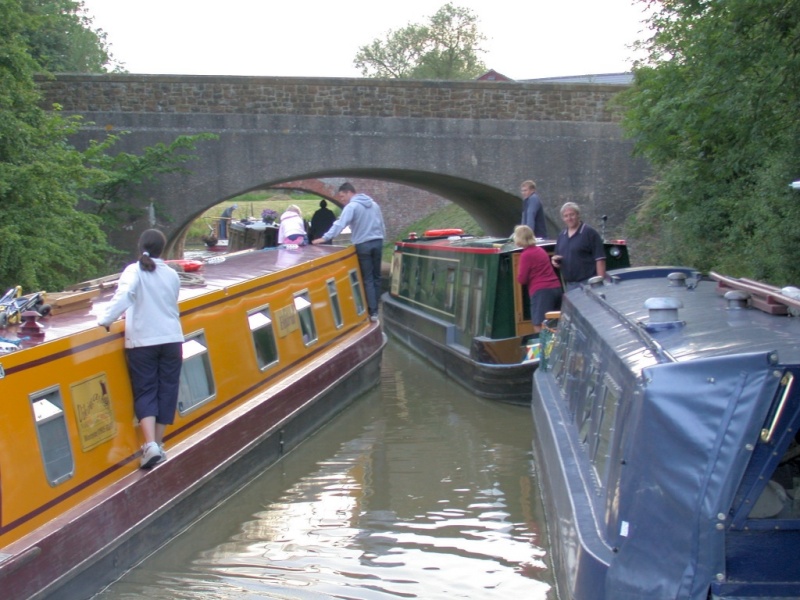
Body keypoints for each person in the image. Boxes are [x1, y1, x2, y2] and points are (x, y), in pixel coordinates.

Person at [97, 229, 184, 469]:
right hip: (172, 339)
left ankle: (150, 446)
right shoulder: (172, 274)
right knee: (167, 390)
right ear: (162, 249)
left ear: (140, 246)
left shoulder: (133, 271)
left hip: (143, 341)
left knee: (146, 390)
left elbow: (125, 295)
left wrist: (105, 319)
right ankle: (158, 443)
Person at [312, 182, 385, 322]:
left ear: (348, 192)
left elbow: (340, 224)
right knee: (377, 277)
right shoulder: (374, 205)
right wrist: (383, 239)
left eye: (342, 196)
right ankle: (376, 306)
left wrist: (324, 238)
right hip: (378, 242)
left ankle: (373, 311)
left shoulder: (352, 206)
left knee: (367, 278)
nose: (341, 199)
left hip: (363, 244)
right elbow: (381, 224)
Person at [514, 225, 562, 332]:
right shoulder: (540, 250)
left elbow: (522, 279)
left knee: (539, 325)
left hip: (542, 292)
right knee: (555, 324)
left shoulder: (526, 255)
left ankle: (543, 347)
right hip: (556, 288)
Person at [551, 202, 606, 290]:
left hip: (588, 283)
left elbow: (600, 259)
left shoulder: (590, 233)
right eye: (566, 216)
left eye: (572, 215)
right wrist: (554, 260)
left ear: (578, 215)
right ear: (563, 219)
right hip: (570, 286)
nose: (569, 218)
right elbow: (558, 256)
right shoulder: (561, 236)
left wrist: (600, 283)